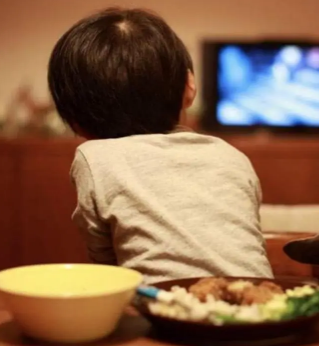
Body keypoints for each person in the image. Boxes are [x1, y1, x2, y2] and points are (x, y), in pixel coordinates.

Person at [47, 7, 273, 284]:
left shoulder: (95, 158)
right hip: (264, 310)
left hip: (162, 314)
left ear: (73, 117)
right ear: (189, 87)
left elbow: (107, 267)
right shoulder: (232, 156)